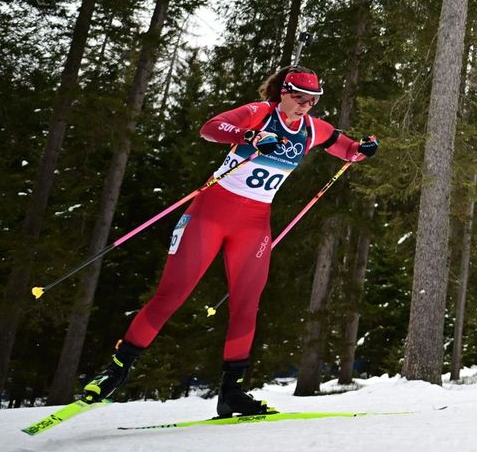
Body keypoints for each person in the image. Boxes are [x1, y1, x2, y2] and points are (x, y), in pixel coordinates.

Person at [78, 66, 378, 417]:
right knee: (171, 294)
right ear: (283, 92)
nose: (305, 107)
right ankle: (114, 372)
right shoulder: (258, 113)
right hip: (209, 215)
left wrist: (363, 148)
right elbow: (210, 129)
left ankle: (232, 393)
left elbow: (347, 150)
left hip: (253, 226)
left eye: (312, 101)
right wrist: (248, 137)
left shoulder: (312, 129)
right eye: (300, 98)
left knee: (246, 306)